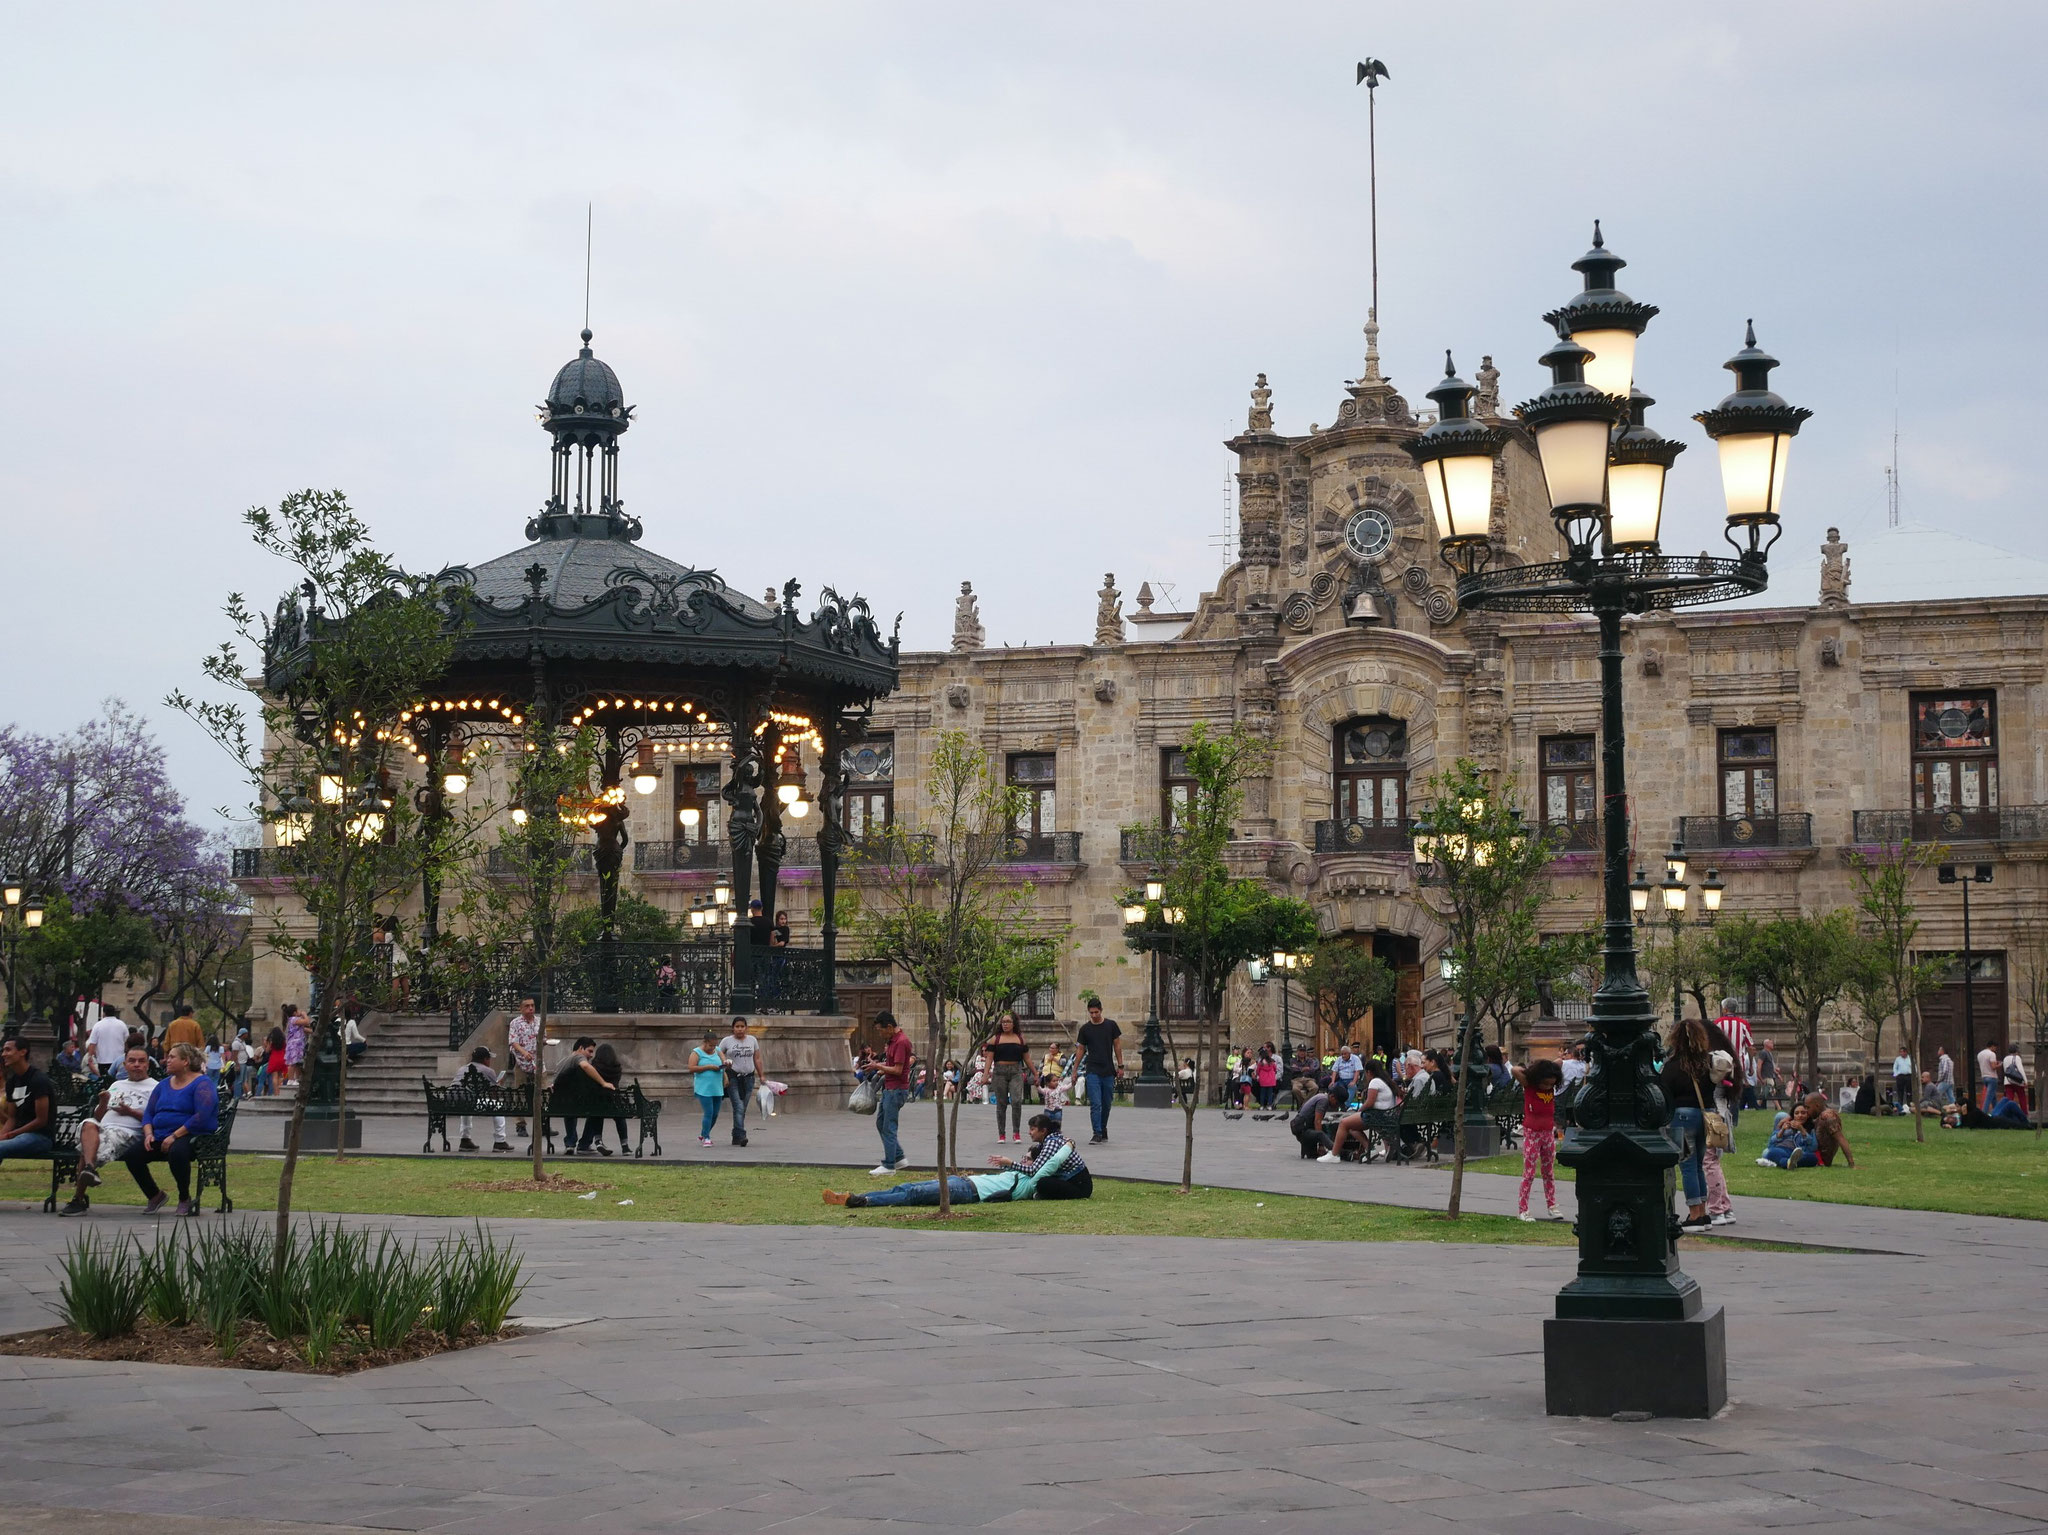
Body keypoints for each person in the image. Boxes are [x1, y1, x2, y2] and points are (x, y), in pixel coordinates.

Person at [825, 1113, 1089, 1207]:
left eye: (1031, 1159)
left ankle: (863, 1201)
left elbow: (1049, 1165)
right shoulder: (1027, 1172)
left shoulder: (1030, 1182)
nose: (1029, 1159)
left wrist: (1068, 1145)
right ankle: (854, 1195)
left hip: (969, 1192)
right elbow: (1043, 1160)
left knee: (915, 1194)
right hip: (965, 1181)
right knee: (905, 1188)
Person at [121, 1042, 219, 1215]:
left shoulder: (202, 1083)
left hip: (192, 1136)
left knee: (177, 1152)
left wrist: (175, 1135)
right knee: (132, 1155)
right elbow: (149, 1113)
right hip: (160, 1135)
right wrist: (149, 1134)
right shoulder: (163, 1085)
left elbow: (201, 1116)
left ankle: (184, 1197)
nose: (167, 1060)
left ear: (186, 1061)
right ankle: (154, 1195)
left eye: (172, 1057)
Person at [1663, 1016, 1720, 1232]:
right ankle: (1703, 1213)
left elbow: (1664, 1092)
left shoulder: (1674, 1066)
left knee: (1687, 1165)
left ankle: (1694, 1214)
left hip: (1683, 1116)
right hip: (1706, 1115)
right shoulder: (1707, 1063)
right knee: (1698, 1166)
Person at [1511, 1058, 1567, 1221]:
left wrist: (1548, 1067)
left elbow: (1559, 1062)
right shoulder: (1529, 1086)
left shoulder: (1548, 1085)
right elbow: (1515, 1070)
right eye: (1545, 1084)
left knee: (1548, 1171)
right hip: (1532, 1133)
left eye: (1552, 1084)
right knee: (1529, 1172)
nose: (1549, 1087)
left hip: (1547, 1132)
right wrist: (1531, 1073)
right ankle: (1523, 1208)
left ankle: (1552, 1204)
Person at [0, 1037, 57, 1167]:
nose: (4, 1054)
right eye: (3, 1050)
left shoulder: (38, 1080)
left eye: (8, 1050)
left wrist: (12, 1134)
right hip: (19, 1136)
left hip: (41, 1137)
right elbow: (12, 1118)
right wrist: (3, 1135)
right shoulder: (12, 1083)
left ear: (22, 1052)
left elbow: (41, 1120)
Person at [1075, 998, 1123, 1145]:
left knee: (1106, 1103)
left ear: (1101, 1010)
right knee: (1095, 1103)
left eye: (1096, 1012)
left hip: (1108, 1070)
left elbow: (1117, 1046)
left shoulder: (1111, 1025)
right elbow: (1081, 1049)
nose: (1094, 1015)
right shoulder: (1085, 1029)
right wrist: (1074, 1069)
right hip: (1092, 1070)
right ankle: (1096, 1132)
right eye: (1091, 1013)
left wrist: (1120, 1066)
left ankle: (1103, 1128)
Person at [870, 1012, 912, 1174]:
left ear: (889, 1027)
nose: (880, 1034)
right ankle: (899, 1157)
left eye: (881, 1030)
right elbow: (892, 1064)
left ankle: (889, 1165)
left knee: (888, 1126)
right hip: (890, 1088)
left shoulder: (901, 1042)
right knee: (881, 1123)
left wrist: (878, 1067)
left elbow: (898, 1069)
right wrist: (878, 1066)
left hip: (896, 1089)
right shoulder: (894, 1041)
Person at [451, 1046, 513, 1154]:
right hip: (474, 1103)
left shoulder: (462, 1069)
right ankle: (500, 1141)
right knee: (498, 1107)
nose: (490, 1061)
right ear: (485, 1059)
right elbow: (493, 1093)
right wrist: (499, 1084)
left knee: (466, 1110)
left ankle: (465, 1139)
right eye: (489, 1058)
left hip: (453, 1101)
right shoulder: (488, 1071)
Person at [577, 1042, 631, 1155]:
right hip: (613, 1101)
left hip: (596, 1101)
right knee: (620, 1117)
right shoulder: (617, 1068)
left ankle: (598, 1141)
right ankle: (625, 1145)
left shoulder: (594, 1067)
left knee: (596, 1113)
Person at [988, 1013, 1032, 1142]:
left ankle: (1016, 1133)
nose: (1005, 1024)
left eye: (1008, 1021)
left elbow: (1027, 1058)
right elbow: (989, 1058)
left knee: (1016, 1101)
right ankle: (1001, 1134)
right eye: (1003, 1022)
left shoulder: (1020, 1039)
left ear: (1014, 1024)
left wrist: (1035, 1072)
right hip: (999, 1072)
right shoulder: (995, 1039)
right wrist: (985, 1076)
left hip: (1016, 1072)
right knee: (1001, 1103)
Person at [718, 1017, 760, 1148]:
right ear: (733, 1028)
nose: (740, 1029)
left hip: (748, 1077)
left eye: (742, 1026)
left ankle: (736, 1135)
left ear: (746, 1028)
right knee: (739, 1107)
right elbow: (718, 1054)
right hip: (733, 1077)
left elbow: (757, 1058)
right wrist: (724, 1062)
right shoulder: (727, 1041)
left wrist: (762, 1075)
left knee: (743, 1108)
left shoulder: (752, 1040)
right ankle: (742, 1135)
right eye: (737, 1026)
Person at [507, 997, 540, 1138]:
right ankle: (520, 1125)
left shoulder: (539, 1021)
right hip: (521, 1062)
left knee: (542, 1092)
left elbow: (542, 1038)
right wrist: (524, 1052)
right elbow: (513, 1042)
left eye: (532, 1005)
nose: (531, 1008)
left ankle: (542, 1123)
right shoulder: (515, 1023)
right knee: (520, 1094)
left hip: (538, 1063)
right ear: (521, 1008)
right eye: (527, 1006)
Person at [1802, 1091, 1857, 1167]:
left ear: (1817, 1105)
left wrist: (1851, 1163)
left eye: (1808, 1107)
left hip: (1818, 1159)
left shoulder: (1828, 1117)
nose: (1806, 1110)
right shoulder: (1819, 1116)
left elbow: (1841, 1139)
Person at [1759, 1104, 1818, 1169]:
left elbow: (1813, 1147)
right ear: (1793, 1116)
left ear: (1807, 1115)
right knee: (1771, 1152)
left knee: (1813, 1158)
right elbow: (1771, 1143)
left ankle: (1785, 1163)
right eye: (1796, 1113)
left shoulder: (1811, 1129)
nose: (1800, 1115)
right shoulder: (1786, 1125)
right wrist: (1782, 1130)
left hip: (1797, 1153)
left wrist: (1802, 1130)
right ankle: (1788, 1162)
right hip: (1782, 1150)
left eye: (1803, 1113)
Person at [1291, 1080, 1337, 1158]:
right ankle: (1337, 1152)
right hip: (1301, 1128)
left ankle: (1308, 1149)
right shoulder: (1324, 1100)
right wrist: (1321, 1145)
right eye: (1337, 1103)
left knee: (1313, 1155)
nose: (1337, 1106)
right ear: (1332, 1097)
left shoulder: (1321, 1096)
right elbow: (1317, 1121)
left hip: (1301, 1125)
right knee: (1321, 1133)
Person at [87, 1005, 130, 1078]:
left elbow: (92, 1043)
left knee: (106, 1082)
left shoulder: (98, 1025)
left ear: (103, 1013)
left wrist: (90, 1057)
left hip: (103, 1060)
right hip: (119, 1060)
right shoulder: (122, 1025)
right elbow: (127, 1041)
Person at [283, 1006, 309, 1086]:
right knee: (292, 1062)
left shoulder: (294, 1021)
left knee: (298, 1062)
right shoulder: (294, 1019)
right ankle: (291, 1079)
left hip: (298, 1044)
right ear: (294, 1012)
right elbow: (307, 1022)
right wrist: (304, 1014)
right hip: (294, 1044)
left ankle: (297, 1078)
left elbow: (303, 1029)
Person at [2003, 1044, 2031, 1116]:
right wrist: (2025, 1080)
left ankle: (2009, 1113)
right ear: (2016, 1051)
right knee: (2022, 1097)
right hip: (2017, 1081)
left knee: (2009, 1098)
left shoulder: (2005, 1058)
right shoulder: (2017, 1058)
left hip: (2008, 1081)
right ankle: (2024, 1112)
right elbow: (2020, 1069)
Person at [1978, 1041, 2002, 1112]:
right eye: (1995, 1047)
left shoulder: (1980, 1054)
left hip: (1984, 1076)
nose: (1996, 1049)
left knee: (1993, 1097)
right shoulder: (1992, 1054)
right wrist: (1999, 1064)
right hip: (1992, 1077)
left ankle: (1997, 1111)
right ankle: (1984, 1112)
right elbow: (1993, 1067)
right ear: (1992, 1046)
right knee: (1988, 1097)